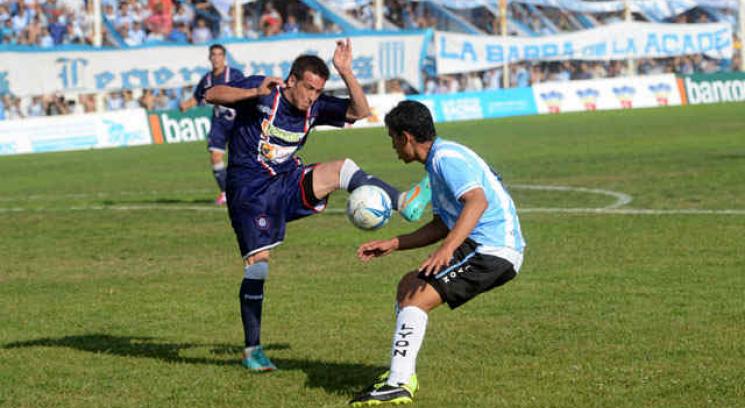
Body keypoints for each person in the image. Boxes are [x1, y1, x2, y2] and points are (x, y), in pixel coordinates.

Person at [205, 39, 431, 372]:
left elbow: (360, 111)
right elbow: (211, 95)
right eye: (308, 88)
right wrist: (252, 94)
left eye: (318, 90)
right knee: (259, 268)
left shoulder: (314, 107)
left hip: (285, 181)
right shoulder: (264, 89)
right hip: (250, 194)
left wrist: (346, 72)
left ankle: (402, 201)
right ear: (292, 80)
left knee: (342, 168)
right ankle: (252, 348)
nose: (312, 96)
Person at [349, 100, 526, 406]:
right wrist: (394, 243)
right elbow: (443, 222)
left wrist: (447, 250)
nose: (393, 147)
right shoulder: (437, 161)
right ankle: (402, 373)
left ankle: (400, 384)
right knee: (408, 286)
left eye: (392, 138)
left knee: (417, 298)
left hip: (495, 249)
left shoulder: (446, 159)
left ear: (406, 137)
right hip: (481, 246)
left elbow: (476, 202)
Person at [180, 44, 244, 206]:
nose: (216, 58)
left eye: (219, 55)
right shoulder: (207, 79)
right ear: (209, 58)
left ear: (224, 57)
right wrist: (186, 105)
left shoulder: (234, 75)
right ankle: (225, 193)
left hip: (238, 121)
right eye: (213, 55)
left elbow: (247, 92)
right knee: (215, 157)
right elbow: (197, 97)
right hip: (219, 122)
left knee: (241, 159)